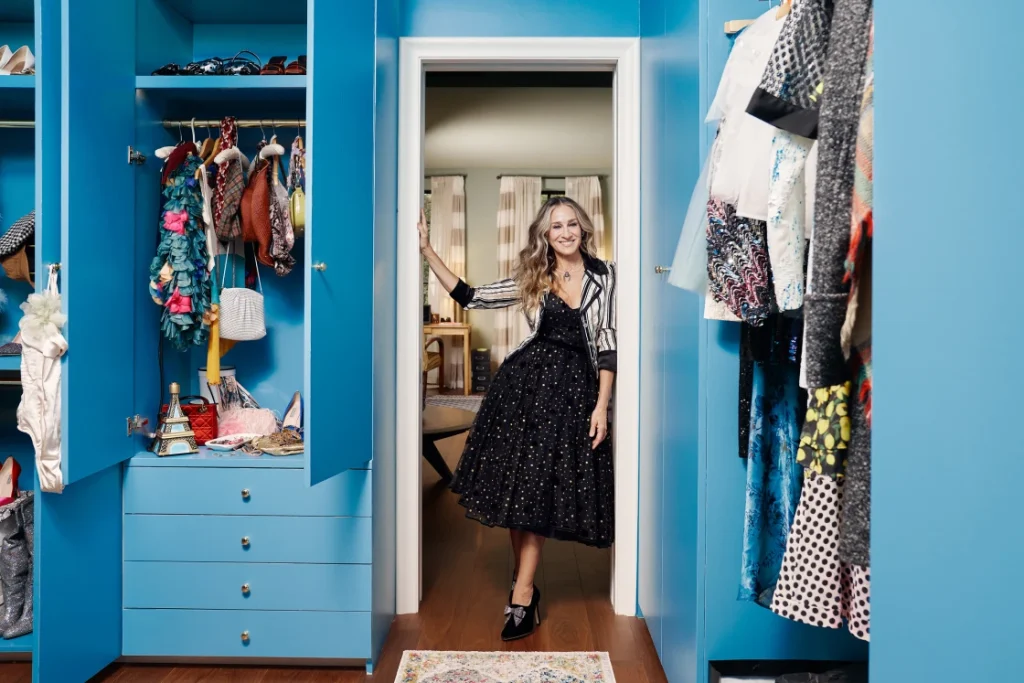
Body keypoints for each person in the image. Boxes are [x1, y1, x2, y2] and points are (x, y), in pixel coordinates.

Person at [418, 196, 617, 641]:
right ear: (545, 236)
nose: (564, 232)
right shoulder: (535, 275)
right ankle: (524, 588)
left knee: (541, 491)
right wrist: (429, 251)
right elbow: (471, 297)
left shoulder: (606, 276)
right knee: (519, 489)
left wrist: (602, 405)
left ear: (582, 228)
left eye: (571, 224)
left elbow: (607, 343)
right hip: (523, 390)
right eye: (555, 227)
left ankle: (522, 592)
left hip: (572, 395)